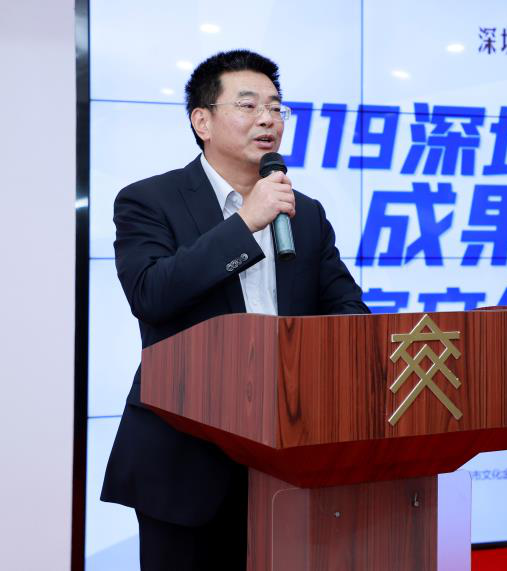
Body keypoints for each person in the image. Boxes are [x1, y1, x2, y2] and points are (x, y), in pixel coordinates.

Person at [101, 49, 369, 571]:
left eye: (276, 107)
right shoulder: (148, 200)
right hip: (186, 461)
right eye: (248, 106)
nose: (268, 119)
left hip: (291, 455)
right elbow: (151, 293)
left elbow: (347, 311)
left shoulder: (306, 213)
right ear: (202, 121)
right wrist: (245, 223)